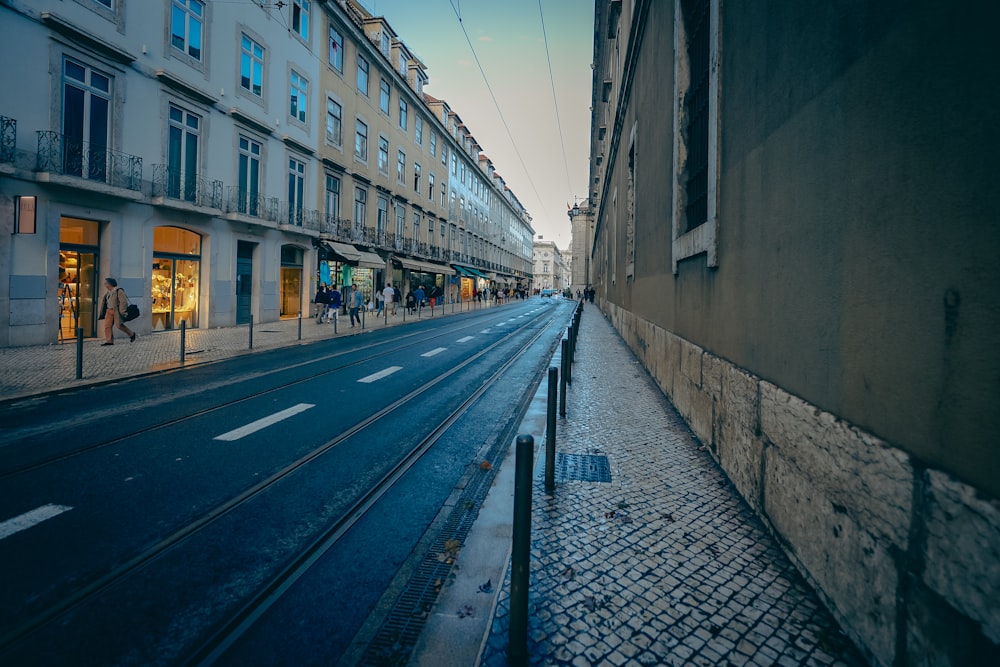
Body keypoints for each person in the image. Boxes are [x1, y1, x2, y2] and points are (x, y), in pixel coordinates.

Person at [100, 277, 135, 345]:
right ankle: (109, 341)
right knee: (107, 326)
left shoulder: (118, 291)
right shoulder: (108, 292)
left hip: (116, 311)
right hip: (109, 310)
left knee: (119, 325)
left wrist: (123, 311)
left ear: (110, 284)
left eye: (106, 283)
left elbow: (123, 302)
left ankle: (131, 334)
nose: (105, 285)